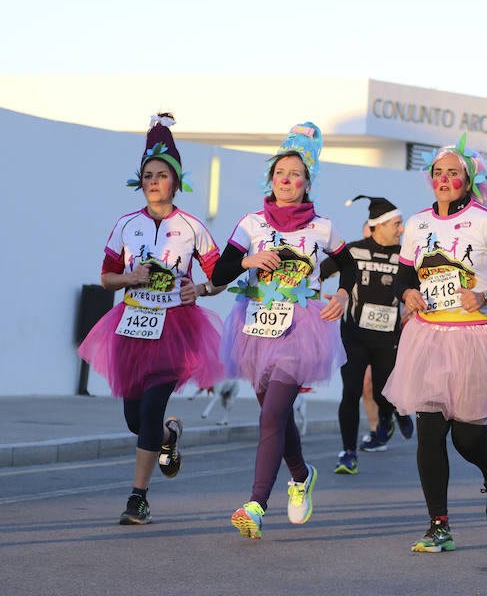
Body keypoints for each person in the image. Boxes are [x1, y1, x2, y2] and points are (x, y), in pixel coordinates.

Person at [384, 134, 487, 552]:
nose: (443, 179)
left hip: (478, 338)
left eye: (453, 173)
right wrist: (407, 294)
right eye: (437, 172)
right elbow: (403, 276)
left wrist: (486, 295)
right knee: (430, 434)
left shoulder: (486, 220)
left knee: (467, 440)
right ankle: (439, 525)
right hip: (429, 337)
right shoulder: (417, 224)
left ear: (468, 179)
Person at [78, 113, 225, 524]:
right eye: (148, 175)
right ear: (139, 181)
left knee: (151, 408)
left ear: (176, 181)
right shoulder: (126, 225)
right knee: (134, 418)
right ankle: (168, 438)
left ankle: (137, 497)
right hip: (130, 325)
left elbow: (218, 276)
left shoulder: (192, 227)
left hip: (175, 327)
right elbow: (106, 278)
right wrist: (131, 276)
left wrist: (203, 289)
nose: (154, 181)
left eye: (162, 175)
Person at [212, 122, 356, 538]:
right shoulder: (251, 224)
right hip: (255, 327)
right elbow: (220, 271)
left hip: (302, 328)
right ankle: (301, 475)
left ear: (308, 181)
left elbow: (348, 263)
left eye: (295, 174)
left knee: (273, 414)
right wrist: (248, 262)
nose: (287, 180)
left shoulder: (322, 227)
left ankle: (256, 505)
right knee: (273, 413)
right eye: (280, 173)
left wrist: (343, 295)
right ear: (270, 180)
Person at [320, 195, 413, 474]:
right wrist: (317, 298)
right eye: (397, 224)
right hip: (354, 336)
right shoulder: (353, 251)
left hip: (388, 338)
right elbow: (317, 274)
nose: (401, 229)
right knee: (351, 393)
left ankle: (388, 417)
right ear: (379, 226)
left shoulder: (406, 256)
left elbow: (423, 288)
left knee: (385, 393)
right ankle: (348, 453)